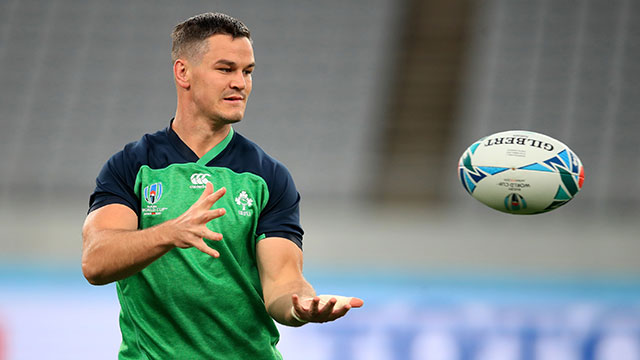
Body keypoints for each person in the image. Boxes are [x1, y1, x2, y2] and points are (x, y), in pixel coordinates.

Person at [81, 12, 363, 359]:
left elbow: (282, 282)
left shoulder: (267, 176)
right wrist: (169, 232)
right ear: (183, 72)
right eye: (226, 69)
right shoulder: (132, 166)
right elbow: (95, 262)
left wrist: (301, 305)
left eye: (248, 72)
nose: (241, 83)